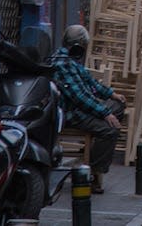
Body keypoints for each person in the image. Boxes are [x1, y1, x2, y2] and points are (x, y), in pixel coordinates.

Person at [49, 25, 125, 193]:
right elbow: (80, 97)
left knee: (118, 106)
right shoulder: (63, 64)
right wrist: (105, 113)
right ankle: (93, 173)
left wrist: (111, 94)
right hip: (72, 113)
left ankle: (94, 152)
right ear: (79, 45)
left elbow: (90, 82)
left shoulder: (71, 60)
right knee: (110, 130)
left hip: (80, 108)